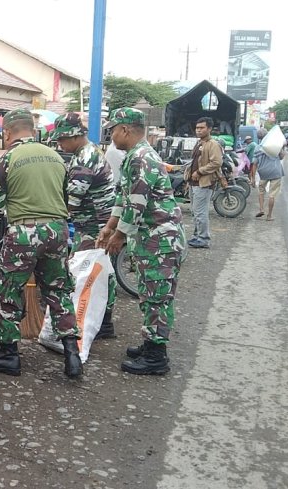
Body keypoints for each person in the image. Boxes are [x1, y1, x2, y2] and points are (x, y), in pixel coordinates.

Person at [0, 108, 82, 379]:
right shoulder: (57, 158)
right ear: (33, 129)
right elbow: (66, 200)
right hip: (58, 230)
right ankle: (71, 354)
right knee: (58, 291)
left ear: (7, 132)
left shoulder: (6, 160)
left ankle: (8, 355)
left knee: (6, 291)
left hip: (24, 232)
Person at [97, 108, 184, 376]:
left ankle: (157, 357)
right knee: (149, 295)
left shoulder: (141, 158)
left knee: (157, 298)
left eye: (113, 130)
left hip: (160, 241)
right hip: (151, 240)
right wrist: (109, 227)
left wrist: (119, 236)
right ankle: (150, 343)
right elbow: (123, 199)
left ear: (125, 129)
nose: (111, 135)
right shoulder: (135, 156)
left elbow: (136, 203)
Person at [51, 113, 117, 339]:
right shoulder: (90, 151)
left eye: (62, 140)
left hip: (93, 226)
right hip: (99, 222)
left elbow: (72, 201)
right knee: (103, 271)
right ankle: (105, 321)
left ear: (74, 136)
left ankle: (97, 322)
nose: (60, 144)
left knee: (85, 273)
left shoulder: (84, 159)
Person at [184, 117, 222, 249]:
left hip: (204, 183)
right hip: (194, 183)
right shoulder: (199, 143)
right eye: (197, 128)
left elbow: (216, 163)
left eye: (202, 128)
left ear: (209, 129)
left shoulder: (213, 144)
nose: (198, 130)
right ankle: (197, 236)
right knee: (195, 211)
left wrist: (200, 172)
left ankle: (203, 238)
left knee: (200, 212)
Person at [250, 134, 286, 221]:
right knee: (272, 195)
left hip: (263, 173)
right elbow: (281, 157)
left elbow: (254, 163)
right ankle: (269, 216)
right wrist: (282, 148)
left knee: (261, 191)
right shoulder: (275, 146)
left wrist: (253, 178)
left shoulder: (257, 148)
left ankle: (261, 209)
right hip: (276, 172)